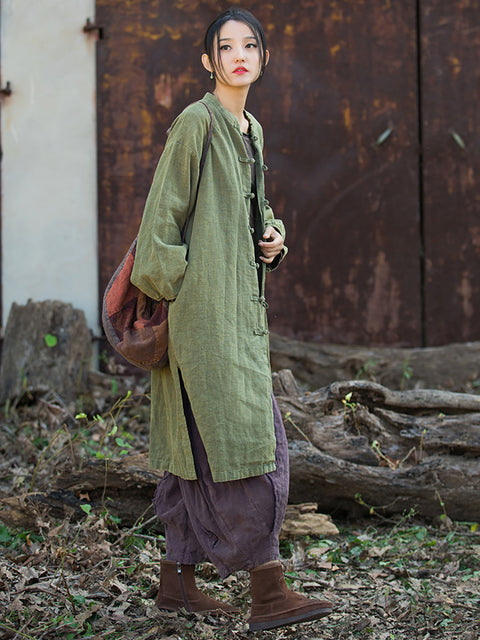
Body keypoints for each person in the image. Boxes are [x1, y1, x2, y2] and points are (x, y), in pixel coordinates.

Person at [131, 7, 333, 632]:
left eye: (250, 45)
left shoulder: (251, 129)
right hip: (204, 317)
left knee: (195, 446)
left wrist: (269, 236)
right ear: (208, 61)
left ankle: (177, 584)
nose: (239, 54)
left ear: (264, 59)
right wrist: (188, 291)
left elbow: (251, 210)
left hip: (237, 314)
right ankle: (268, 591)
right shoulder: (196, 123)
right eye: (226, 46)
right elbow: (160, 222)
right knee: (252, 445)